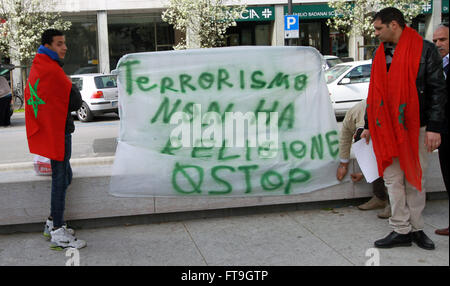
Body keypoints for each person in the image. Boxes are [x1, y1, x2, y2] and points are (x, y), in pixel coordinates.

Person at [361, 8, 447, 250]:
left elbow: (438, 91)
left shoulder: (426, 50)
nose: (376, 33)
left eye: (379, 28)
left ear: (394, 25)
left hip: (417, 127)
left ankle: (417, 229)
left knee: (414, 179)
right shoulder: (380, 53)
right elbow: (374, 93)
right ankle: (400, 229)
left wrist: (434, 128)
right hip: (386, 129)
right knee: (392, 180)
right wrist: (368, 125)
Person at [24, 29, 86, 250]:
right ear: (48, 46)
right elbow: (75, 102)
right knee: (60, 178)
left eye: (64, 43)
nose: (65, 47)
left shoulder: (40, 66)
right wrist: (69, 83)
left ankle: (52, 222)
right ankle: (58, 230)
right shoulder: (52, 70)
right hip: (58, 132)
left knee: (65, 175)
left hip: (56, 130)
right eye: (59, 43)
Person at [336, 99, 391, 219]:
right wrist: (343, 165)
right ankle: (380, 197)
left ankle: (393, 203)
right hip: (367, 125)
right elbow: (345, 139)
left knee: (392, 169)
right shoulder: (353, 114)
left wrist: (364, 173)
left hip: (389, 134)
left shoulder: (386, 109)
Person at [432, 23, 449, 236]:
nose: (438, 44)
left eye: (443, 40)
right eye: (436, 40)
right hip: (443, 132)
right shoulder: (438, 64)